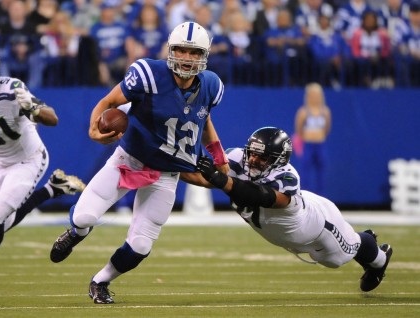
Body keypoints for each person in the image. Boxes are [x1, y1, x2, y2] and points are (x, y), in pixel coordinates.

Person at [50, 21, 229, 304]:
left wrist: (219, 157)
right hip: (130, 161)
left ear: (205, 55)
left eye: (194, 53)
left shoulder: (211, 86)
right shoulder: (149, 74)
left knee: (141, 245)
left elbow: (203, 118)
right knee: (84, 217)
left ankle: (101, 281)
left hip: (167, 173)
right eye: (181, 50)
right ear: (171, 50)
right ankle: (76, 233)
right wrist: (94, 129)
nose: (186, 58)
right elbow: (109, 101)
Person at [0, 43, 86, 286]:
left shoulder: (11, 89)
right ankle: (53, 189)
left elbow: (52, 119)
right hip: (1, 161)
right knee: (2, 222)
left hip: (29, 159)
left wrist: (33, 108)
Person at [195, 126, 393, 292]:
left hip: (321, 224)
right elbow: (203, 178)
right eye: (252, 153)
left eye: (262, 157)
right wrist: (168, 167)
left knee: (337, 259)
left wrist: (221, 179)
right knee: (328, 257)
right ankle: (359, 241)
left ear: (278, 161)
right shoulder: (237, 159)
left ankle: (378, 256)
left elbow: (262, 197)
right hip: (290, 234)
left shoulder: (287, 178)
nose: (254, 160)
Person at [294, 83, 331, 195]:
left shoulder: (325, 111)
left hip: (320, 145)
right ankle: (304, 195)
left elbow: (327, 128)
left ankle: (321, 195)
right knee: (305, 171)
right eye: (312, 94)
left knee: (321, 171)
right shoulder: (303, 111)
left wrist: (319, 136)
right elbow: (299, 128)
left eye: (317, 94)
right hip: (308, 144)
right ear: (308, 96)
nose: (315, 97)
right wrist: (305, 138)